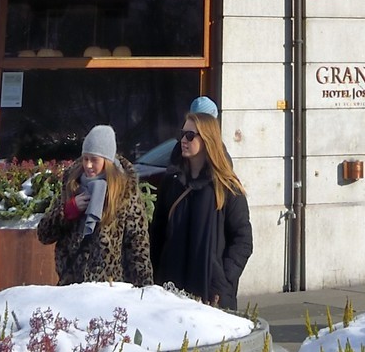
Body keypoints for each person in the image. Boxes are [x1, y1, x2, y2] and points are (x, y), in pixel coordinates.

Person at [151, 109, 252, 306]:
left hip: (211, 294)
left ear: (207, 139)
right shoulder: (172, 182)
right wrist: (157, 275)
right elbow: (157, 232)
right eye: (182, 134)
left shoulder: (226, 187)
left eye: (190, 135)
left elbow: (243, 239)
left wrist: (223, 279)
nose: (183, 140)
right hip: (172, 290)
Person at [37, 125, 152, 286]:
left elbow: (137, 244)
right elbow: (44, 234)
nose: (88, 165)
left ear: (107, 161)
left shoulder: (125, 191)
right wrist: (67, 211)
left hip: (109, 288)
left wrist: (144, 289)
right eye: (85, 159)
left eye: (94, 160)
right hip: (72, 286)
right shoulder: (72, 184)